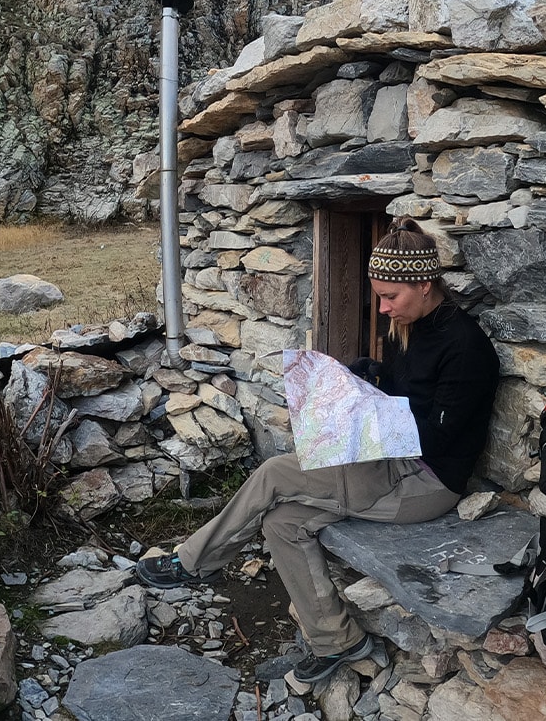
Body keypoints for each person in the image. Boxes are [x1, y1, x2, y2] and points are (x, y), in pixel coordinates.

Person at [135, 218, 500, 683]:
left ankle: (192, 563)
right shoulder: (410, 325)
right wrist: (367, 377)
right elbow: (407, 394)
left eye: (391, 297)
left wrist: (366, 409)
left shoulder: (465, 346)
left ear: (425, 286)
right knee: (281, 521)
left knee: (274, 473)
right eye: (379, 297)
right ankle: (338, 642)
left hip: (425, 481)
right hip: (389, 461)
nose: (384, 308)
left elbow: (436, 438)